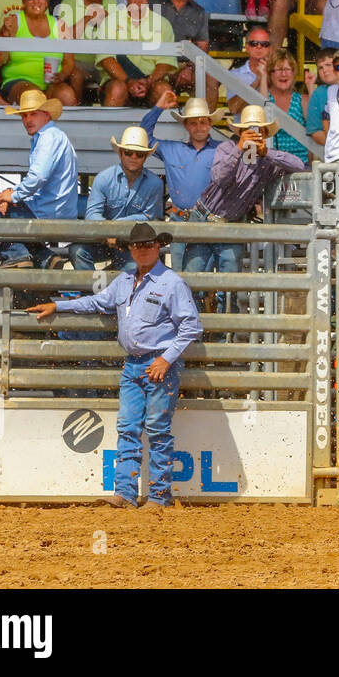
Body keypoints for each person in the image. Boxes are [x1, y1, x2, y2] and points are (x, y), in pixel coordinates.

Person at [28, 222, 202, 509]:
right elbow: (99, 302)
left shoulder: (172, 283)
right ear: (131, 249)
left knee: (156, 428)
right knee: (128, 427)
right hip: (134, 365)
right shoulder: (124, 280)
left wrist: (166, 358)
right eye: (137, 246)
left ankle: (159, 496)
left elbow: (191, 326)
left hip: (159, 365)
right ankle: (125, 493)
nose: (143, 250)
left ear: (158, 247)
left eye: (148, 245)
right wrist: (59, 306)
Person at [185, 105, 305, 277]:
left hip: (232, 222)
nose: (254, 135)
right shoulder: (227, 148)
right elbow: (219, 178)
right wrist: (239, 148)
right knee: (193, 277)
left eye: (258, 131)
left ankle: (225, 304)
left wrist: (266, 152)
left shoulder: (268, 161)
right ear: (241, 133)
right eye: (249, 130)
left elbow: (299, 165)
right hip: (204, 217)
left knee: (230, 282)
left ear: (264, 134)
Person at [141, 91, 225, 271]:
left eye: (203, 121)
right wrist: (158, 108)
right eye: (193, 122)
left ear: (210, 123)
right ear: (185, 125)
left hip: (209, 223)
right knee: (179, 277)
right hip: (179, 220)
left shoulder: (223, 150)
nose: (199, 127)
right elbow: (144, 138)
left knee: (204, 281)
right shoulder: (172, 148)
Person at [0, 88, 77, 269]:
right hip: (57, 211)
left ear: (46, 115)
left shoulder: (48, 138)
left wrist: (12, 196)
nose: (27, 120)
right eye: (24, 116)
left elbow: (38, 177)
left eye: (33, 114)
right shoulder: (53, 136)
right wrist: (12, 193)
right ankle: (46, 258)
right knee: (6, 206)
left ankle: (19, 257)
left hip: (48, 212)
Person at [72, 127, 164, 271]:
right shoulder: (103, 178)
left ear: (146, 157)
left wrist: (114, 229)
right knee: (78, 251)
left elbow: (151, 218)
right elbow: (92, 215)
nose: (133, 157)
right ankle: (91, 291)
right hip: (103, 241)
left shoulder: (155, 184)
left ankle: (114, 289)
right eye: (128, 152)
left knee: (134, 268)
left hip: (134, 245)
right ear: (120, 153)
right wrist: (109, 233)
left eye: (139, 154)